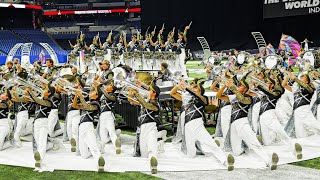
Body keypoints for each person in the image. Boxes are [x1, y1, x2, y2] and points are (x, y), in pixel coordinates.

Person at [170, 79, 235, 171]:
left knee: (211, 145)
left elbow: (200, 99)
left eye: (195, 87)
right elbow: (172, 93)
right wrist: (178, 85)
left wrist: (187, 89)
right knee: (190, 155)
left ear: (199, 90)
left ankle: (226, 161)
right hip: (187, 127)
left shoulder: (204, 98)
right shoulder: (186, 97)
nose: (193, 88)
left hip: (198, 127)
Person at [217, 77, 279, 170]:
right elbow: (219, 96)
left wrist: (233, 87)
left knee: (254, 143)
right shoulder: (233, 97)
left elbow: (242, 99)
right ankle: (245, 147)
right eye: (238, 85)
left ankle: (269, 160)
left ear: (245, 89)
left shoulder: (249, 98)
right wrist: (224, 86)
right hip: (233, 125)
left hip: (242, 123)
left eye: (241, 85)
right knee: (236, 151)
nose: (238, 86)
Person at [128, 82, 161, 174]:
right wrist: (131, 93)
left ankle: (153, 164)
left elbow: (146, 105)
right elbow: (130, 100)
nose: (147, 91)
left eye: (150, 90)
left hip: (151, 128)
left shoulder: (156, 104)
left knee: (151, 148)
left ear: (154, 93)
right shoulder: (145, 100)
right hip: (142, 129)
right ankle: (160, 144)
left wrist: (137, 94)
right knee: (143, 154)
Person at [72, 86, 105, 172]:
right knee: (84, 155)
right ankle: (100, 146)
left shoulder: (96, 104)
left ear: (96, 95)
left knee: (94, 148)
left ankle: (100, 163)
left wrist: (81, 96)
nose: (89, 93)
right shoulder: (87, 102)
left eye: (92, 92)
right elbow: (74, 106)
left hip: (88, 126)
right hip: (81, 127)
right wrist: (76, 95)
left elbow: (87, 107)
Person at [26, 84, 60, 169]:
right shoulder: (41, 98)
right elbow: (32, 99)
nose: (43, 89)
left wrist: (30, 91)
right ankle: (51, 144)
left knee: (41, 142)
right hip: (36, 123)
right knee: (38, 142)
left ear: (48, 93)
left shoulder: (49, 102)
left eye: (45, 89)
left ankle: (39, 160)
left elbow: (37, 100)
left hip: (44, 123)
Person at [282, 72, 320, 138]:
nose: (301, 78)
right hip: (296, 111)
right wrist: (287, 77)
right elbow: (284, 85)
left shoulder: (310, 87)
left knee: (315, 125)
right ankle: (302, 144)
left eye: (303, 77)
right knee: (299, 132)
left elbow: (304, 85)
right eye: (301, 77)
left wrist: (295, 78)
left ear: (307, 81)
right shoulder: (296, 89)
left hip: (305, 110)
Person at [96, 83, 121, 154]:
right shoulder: (103, 94)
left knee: (111, 132)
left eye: (109, 85)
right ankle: (117, 133)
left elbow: (111, 98)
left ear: (112, 89)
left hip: (108, 114)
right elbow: (97, 88)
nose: (107, 85)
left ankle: (117, 147)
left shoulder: (113, 95)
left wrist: (104, 91)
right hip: (102, 116)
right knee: (103, 138)